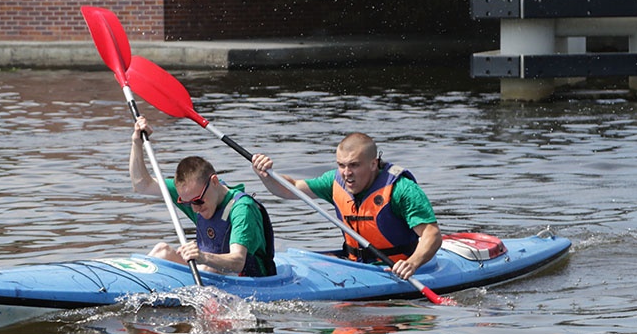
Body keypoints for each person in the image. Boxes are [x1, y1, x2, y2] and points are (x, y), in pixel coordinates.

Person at [251, 132, 440, 280]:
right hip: (354, 265)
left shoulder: (402, 189)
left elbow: (431, 233)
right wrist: (266, 175)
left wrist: (412, 264)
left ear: (373, 164)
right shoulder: (334, 182)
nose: (346, 173)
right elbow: (290, 189)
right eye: (341, 165)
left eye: (354, 165)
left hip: (396, 267)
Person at [130, 116, 275, 277]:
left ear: (214, 181)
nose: (194, 208)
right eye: (187, 202)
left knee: (208, 268)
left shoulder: (241, 209)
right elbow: (141, 184)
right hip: (210, 272)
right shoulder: (192, 192)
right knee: (161, 250)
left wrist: (202, 257)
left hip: (250, 280)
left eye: (198, 201)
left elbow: (237, 261)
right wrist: (137, 142)